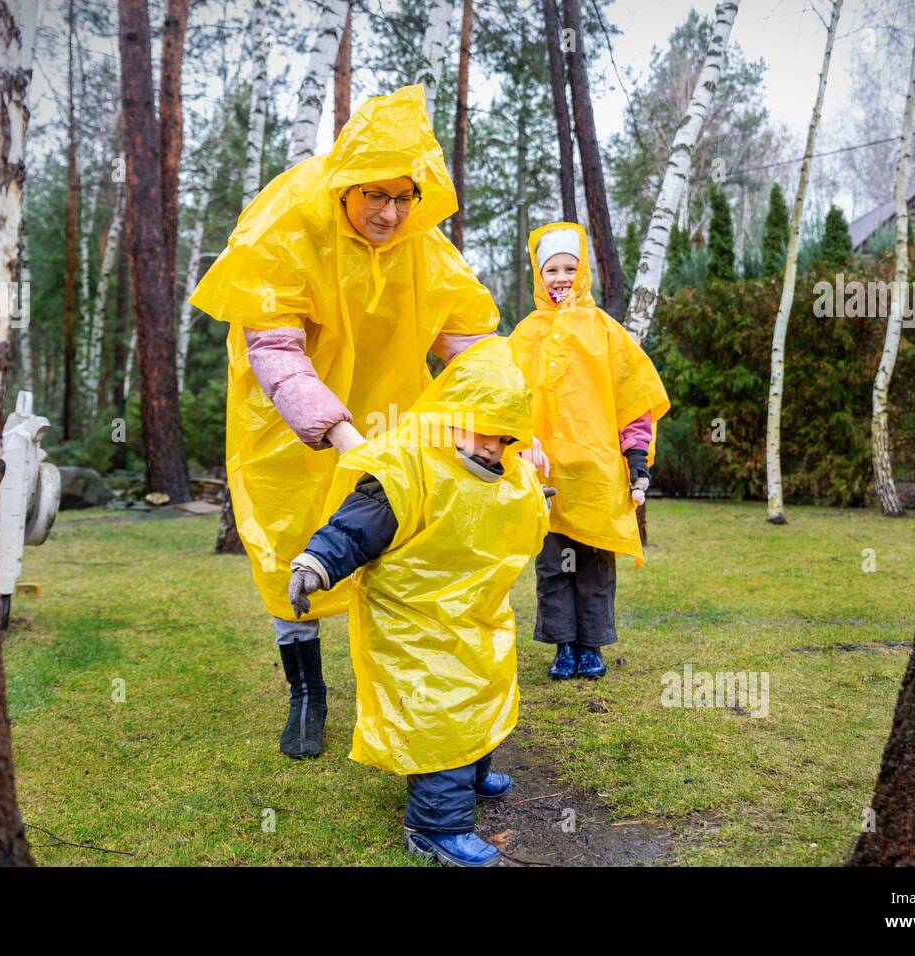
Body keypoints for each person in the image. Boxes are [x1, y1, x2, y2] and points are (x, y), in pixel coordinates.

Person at [188, 86, 505, 759]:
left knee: (390, 553)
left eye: (403, 196)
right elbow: (273, 349)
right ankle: (307, 694)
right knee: (289, 549)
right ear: (346, 186)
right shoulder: (287, 225)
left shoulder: (424, 245)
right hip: (286, 422)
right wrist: (338, 430)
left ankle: (391, 689)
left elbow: (469, 341)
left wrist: (503, 425)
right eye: (374, 196)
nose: (390, 213)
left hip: (391, 419)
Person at [286, 337, 551, 867]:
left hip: (476, 619)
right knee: (442, 712)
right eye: (481, 430)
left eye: (504, 438)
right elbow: (359, 523)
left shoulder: (507, 474)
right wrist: (317, 563)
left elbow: (520, 511)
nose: (491, 449)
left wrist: (536, 493)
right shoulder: (406, 466)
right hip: (414, 626)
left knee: (483, 697)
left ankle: (472, 773)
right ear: (450, 414)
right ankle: (436, 825)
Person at [509, 222, 670, 680]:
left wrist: (636, 460)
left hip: (598, 476)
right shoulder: (525, 336)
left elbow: (633, 401)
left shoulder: (606, 332)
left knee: (595, 566)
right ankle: (563, 646)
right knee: (554, 566)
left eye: (569, 268)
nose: (560, 277)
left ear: (582, 274)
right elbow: (508, 399)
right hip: (547, 476)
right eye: (551, 269)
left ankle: (590, 646)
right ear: (539, 276)